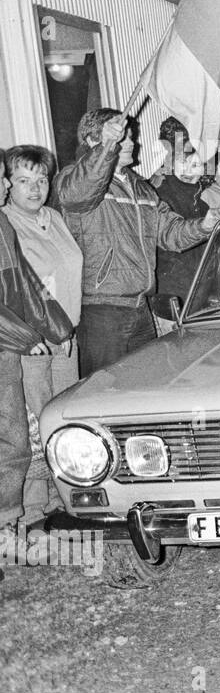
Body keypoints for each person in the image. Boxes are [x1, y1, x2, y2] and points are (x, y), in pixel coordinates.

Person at [52, 109, 217, 376]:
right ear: (93, 141)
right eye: (122, 137)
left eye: (131, 136)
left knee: (148, 387)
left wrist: (204, 226)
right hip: (102, 309)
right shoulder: (73, 178)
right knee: (105, 393)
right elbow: (80, 192)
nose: (131, 142)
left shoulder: (141, 187)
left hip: (141, 306)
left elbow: (169, 233)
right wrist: (106, 147)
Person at [1, 146, 81, 543]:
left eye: (41, 179)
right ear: (7, 185)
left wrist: (65, 330)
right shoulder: (7, 223)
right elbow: (20, 289)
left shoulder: (54, 217)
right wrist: (35, 334)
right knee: (34, 423)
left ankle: (64, 498)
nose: (35, 188)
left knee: (64, 422)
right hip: (31, 343)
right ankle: (33, 509)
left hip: (66, 336)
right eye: (23, 180)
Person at [151, 144, 209, 333]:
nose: (188, 171)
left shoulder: (202, 203)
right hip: (170, 300)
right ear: (170, 163)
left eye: (196, 165)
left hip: (199, 298)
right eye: (183, 162)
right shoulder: (159, 197)